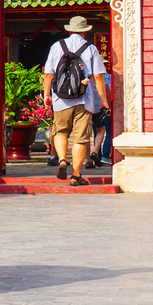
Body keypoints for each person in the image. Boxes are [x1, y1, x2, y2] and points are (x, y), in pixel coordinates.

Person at [40, 16, 111, 187]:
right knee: (81, 138)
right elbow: (98, 77)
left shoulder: (56, 46)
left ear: (69, 30)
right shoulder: (91, 49)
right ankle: (76, 176)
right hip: (84, 99)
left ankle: (63, 160)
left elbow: (48, 74)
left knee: (61, 131)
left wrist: (47, 95)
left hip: (60, 98)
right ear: (85, 32)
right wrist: (103, 101)